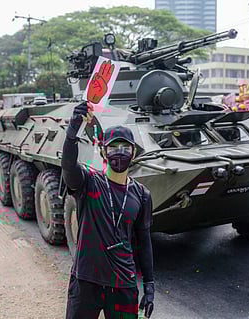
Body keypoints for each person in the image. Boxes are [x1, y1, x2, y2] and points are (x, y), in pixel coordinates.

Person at [62, 102, 155, 319]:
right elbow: (68, 166)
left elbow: (144, 241)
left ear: (133, 153)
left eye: (125, 148)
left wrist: (149, 286)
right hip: (86, 282)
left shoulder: (142, 195)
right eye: (113, 148)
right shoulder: (88, 183)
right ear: (104, 152)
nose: (119, 153)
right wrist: (72, 132)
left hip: (123, 285)